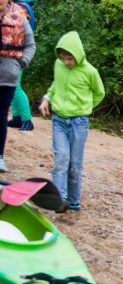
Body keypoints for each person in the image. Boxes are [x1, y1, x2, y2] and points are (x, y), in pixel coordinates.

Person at [38, 32, 105, 211]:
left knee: (74, 163)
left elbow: (99, 93)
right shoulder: (58, 65)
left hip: (78, 123)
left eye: (69, 58)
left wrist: (85, 108)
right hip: (58, 120)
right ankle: (60, 200)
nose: (66, 62)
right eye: (63, 58)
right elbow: (55, 85)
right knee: (61, 159)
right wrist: (47, 99)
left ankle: (73, 200)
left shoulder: (90, 71)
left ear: (78, 54)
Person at [0, 0, 36, 173]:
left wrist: (21, 63)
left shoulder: (20, 15)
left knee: (2, 113)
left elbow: (30, 43)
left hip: (9, 71)